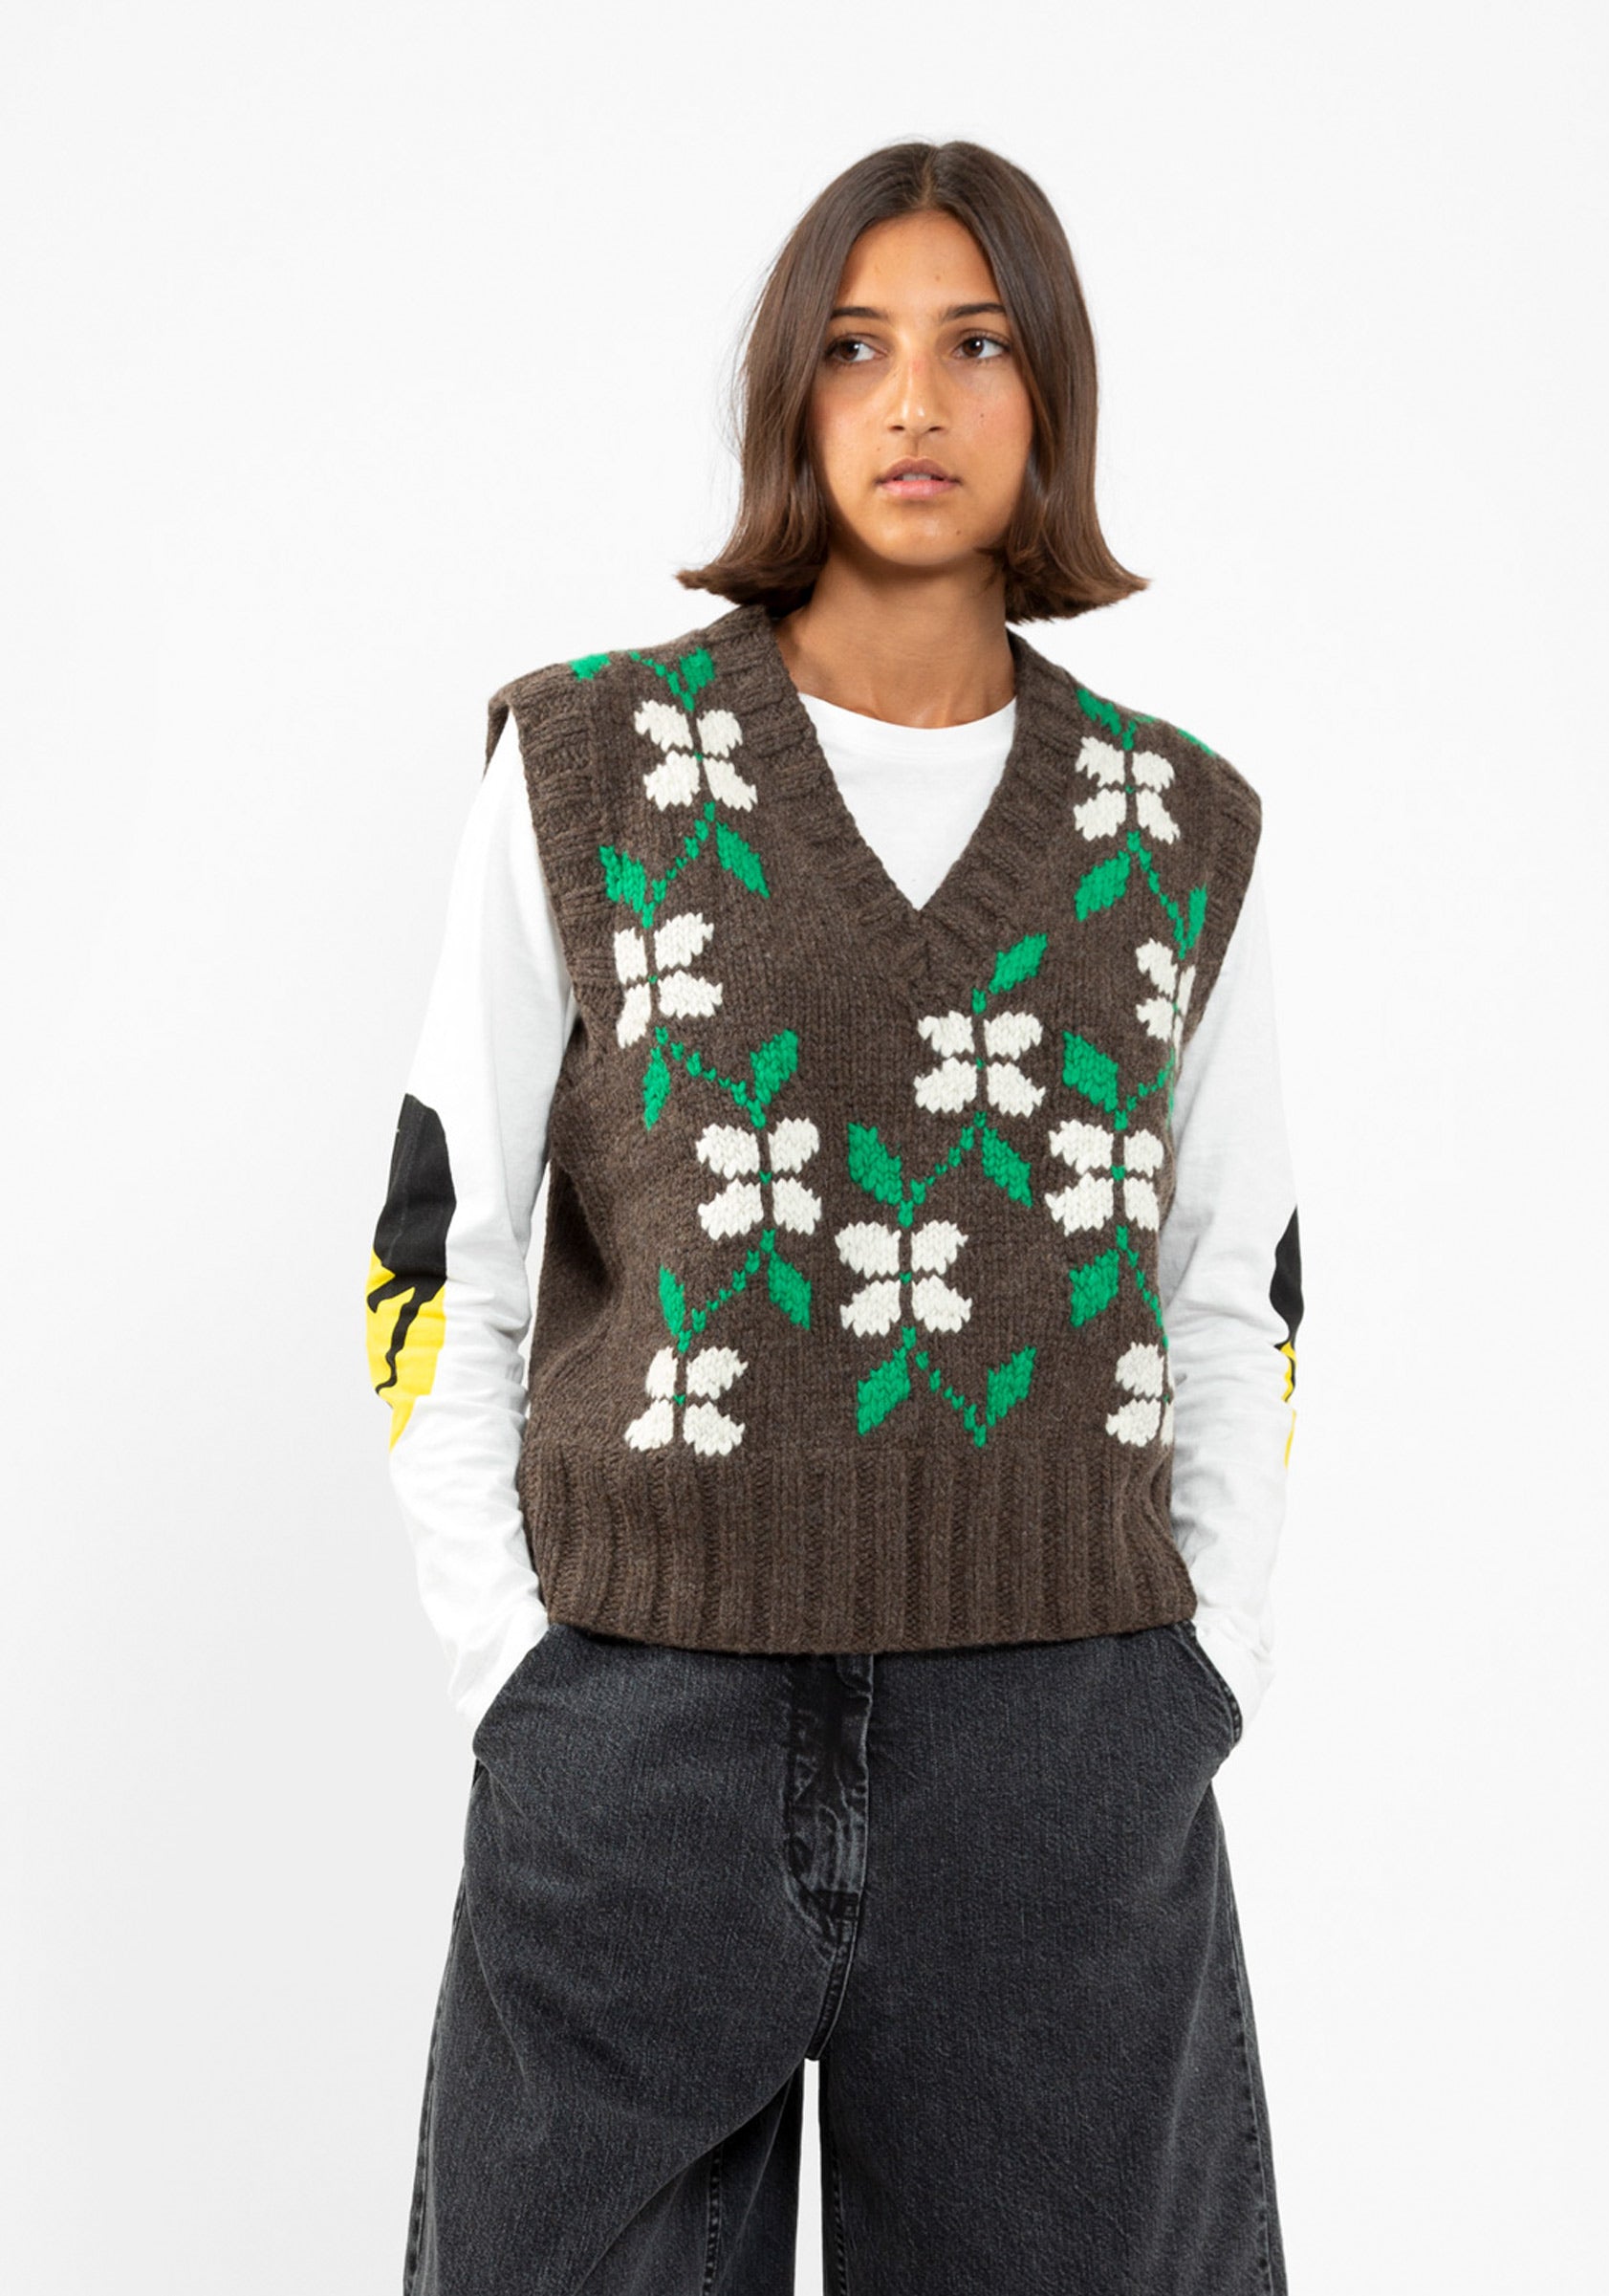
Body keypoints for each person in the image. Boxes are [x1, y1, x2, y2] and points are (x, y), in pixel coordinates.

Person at [365, 137, 1303, 2296]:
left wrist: (1202, 1676)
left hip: (1062, 1756)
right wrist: (516, 1669)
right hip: (639, 1736)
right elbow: (435, 1249)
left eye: (976, 346)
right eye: (857, 350)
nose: (913, 405)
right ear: (789, 394)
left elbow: (1236, 1290)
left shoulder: (1175, 828)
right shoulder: (592, 767)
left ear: (1052, 397)